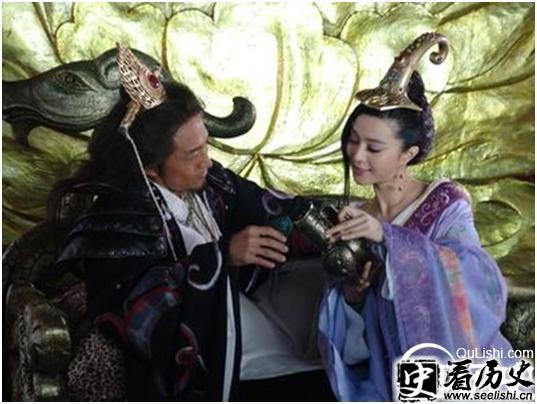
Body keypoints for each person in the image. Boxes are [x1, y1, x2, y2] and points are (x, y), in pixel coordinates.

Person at [48, 45, 332, 401]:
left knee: (323, 280)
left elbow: (273, 209)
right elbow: (141, 313)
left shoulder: (212, 183)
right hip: (204, 339)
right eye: (193, 154)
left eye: (206, 146)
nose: (207, 162)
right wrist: (223, 256)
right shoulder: (118, 221)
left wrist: (328, 227)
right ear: (151, 167)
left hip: (242, 308)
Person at [317, 33, 513, 401]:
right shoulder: (356, 217)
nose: (357, 155)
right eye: (353, 140)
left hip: (460, 373)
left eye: (374, 147)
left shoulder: (444, 202)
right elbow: (346, 331)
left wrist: (388, 238)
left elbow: (478, 280)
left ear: (408, 154)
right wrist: (354, 296)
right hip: (388, 375)